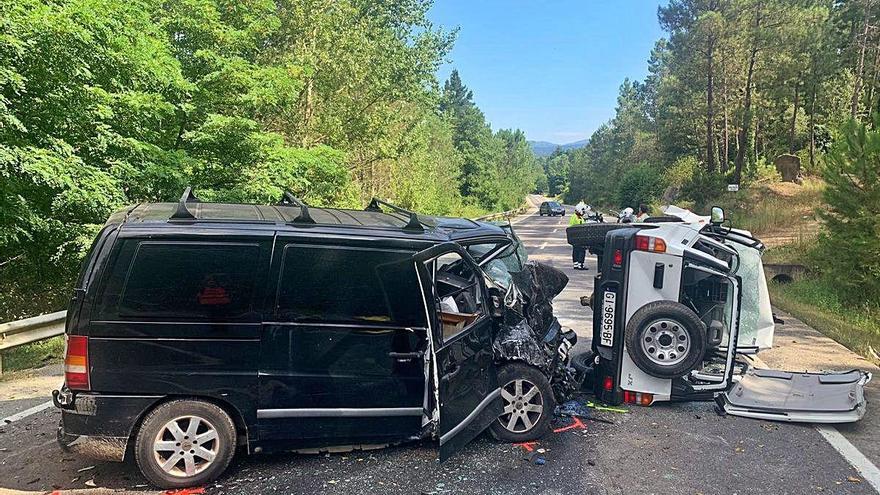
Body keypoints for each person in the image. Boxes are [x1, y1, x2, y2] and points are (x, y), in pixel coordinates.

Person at [570, 202, 588, 270]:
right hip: (578, 237)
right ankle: (580, 265)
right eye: (583, 211)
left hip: (576, 237)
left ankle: (576, 264)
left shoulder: (577, 216)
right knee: (581, 250)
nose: (583, 212)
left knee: (576, 250)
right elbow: (578, 227)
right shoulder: (576, 217)